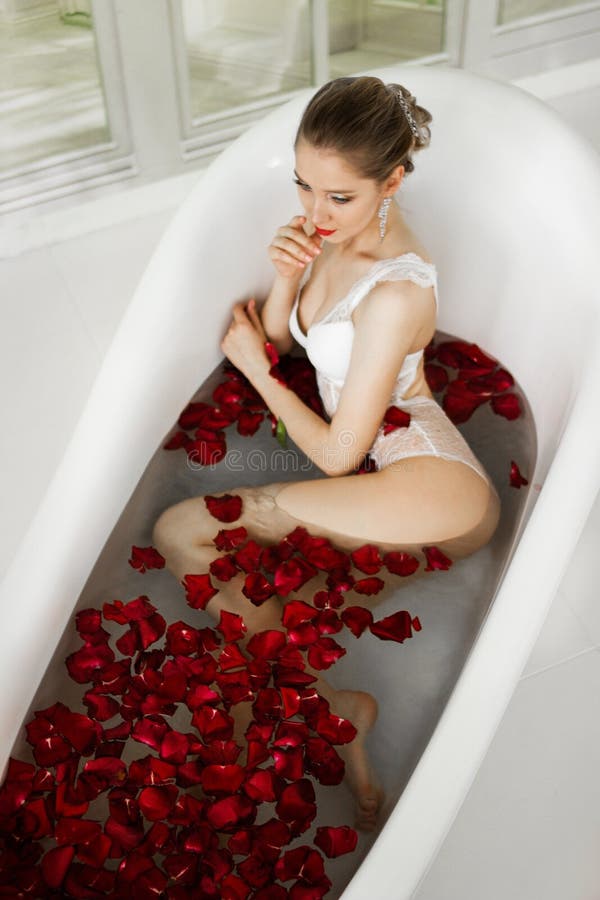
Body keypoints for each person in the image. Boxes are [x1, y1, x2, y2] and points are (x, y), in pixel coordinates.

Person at [152, 75, 501, 832]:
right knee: (279, 619)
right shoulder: (330, 230)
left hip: (427, 483)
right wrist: (285, 277)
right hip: (379, 477)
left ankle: (292, 720)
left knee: (183, 530)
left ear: (394, 179)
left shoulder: (398, 294)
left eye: (338, 197)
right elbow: (288, 341)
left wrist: (251, 372)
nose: (314, 211)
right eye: (305, 185)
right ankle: (342, 710)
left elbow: (340, 452)